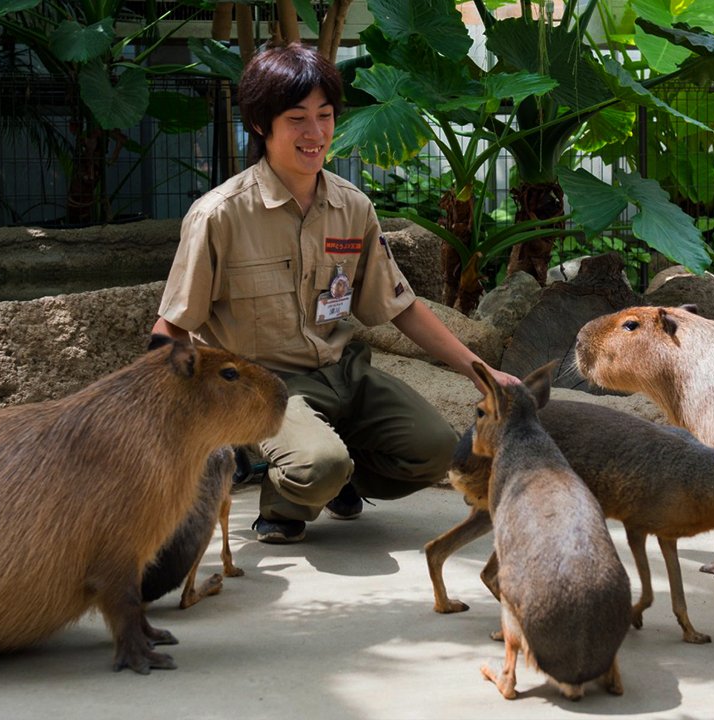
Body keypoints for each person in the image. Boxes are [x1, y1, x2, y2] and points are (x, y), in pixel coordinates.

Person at [151, 43, 519, 544]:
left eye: (324, 116)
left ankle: (334, 478)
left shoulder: (352, 207)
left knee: (438, 451)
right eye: (298, 118)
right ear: (262, 125)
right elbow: (171, 326)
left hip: (343, 373)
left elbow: (401, 308)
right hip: (259, 387)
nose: (316, 133)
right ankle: (289, 498)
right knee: (319, 464)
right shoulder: (219, 215)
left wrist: (484, 374)